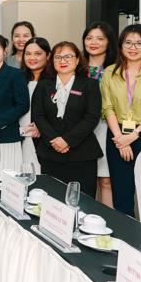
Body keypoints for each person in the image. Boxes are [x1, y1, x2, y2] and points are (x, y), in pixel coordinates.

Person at [100, 24, 141, 216]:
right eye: (128, 42)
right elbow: (107, 107)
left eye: (140, 43)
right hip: (117, 133)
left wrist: (133, 136)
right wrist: (121, 139)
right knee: (121, 191)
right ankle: (125, 237)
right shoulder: (110, 73)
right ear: (121, 46)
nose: (133, 47)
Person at [31, 42, 103, 197]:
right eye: (58, 57)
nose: (63, 61)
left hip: (82, 154)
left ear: (77, 60)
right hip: (51, 153)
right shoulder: (44, 85)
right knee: (52, 200)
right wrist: (55, 139)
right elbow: (38, 115)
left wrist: (67, 140)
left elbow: (92, 117)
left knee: (83, 201)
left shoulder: (89, 84)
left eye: (68, 56)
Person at [0, 34, 30, 174]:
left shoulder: (15, 74)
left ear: (4, 50)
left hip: (7, 136)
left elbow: (22, 105)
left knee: (8, 180)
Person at [82, 21, 118, 207]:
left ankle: (106, 222)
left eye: (100, 38)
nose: (93, 42)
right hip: (80, 129)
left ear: (108, 42)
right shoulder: (77, 67)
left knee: (105, 180)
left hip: (106, 128)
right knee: (85, 179)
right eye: (89, 38)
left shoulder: (117, 69)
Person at [18, 37, 53, 174]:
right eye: (28, 53)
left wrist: (42, 126)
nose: (32, 58)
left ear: (48, 55)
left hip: (44, 139)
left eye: (38, 54)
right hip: (20, 138)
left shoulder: (54, 81)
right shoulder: (18, 79)